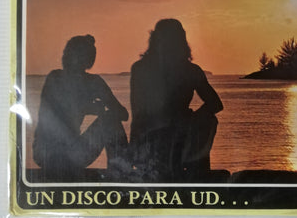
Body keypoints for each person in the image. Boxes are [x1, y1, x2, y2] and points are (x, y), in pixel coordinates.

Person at [130, 19, 223, 181]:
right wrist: (135, 147)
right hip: (154, 134)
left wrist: (191, 118)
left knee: (209, 120)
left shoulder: (191, 70)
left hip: (181, 133)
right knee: (205, 121)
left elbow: (215, 104)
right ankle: (195, 169)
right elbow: (138, 111)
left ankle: (198, 169)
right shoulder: (141, 69)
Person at [33, 35, 129, 180]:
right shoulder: (91, 82)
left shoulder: (54, 77)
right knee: (110, 121)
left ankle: (119, 174)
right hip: (63, 156)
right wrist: (97, 107)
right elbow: (122, 114)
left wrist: (93, 107)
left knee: (109, 119)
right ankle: (120, 175)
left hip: (43, 155)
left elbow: (124, 114)